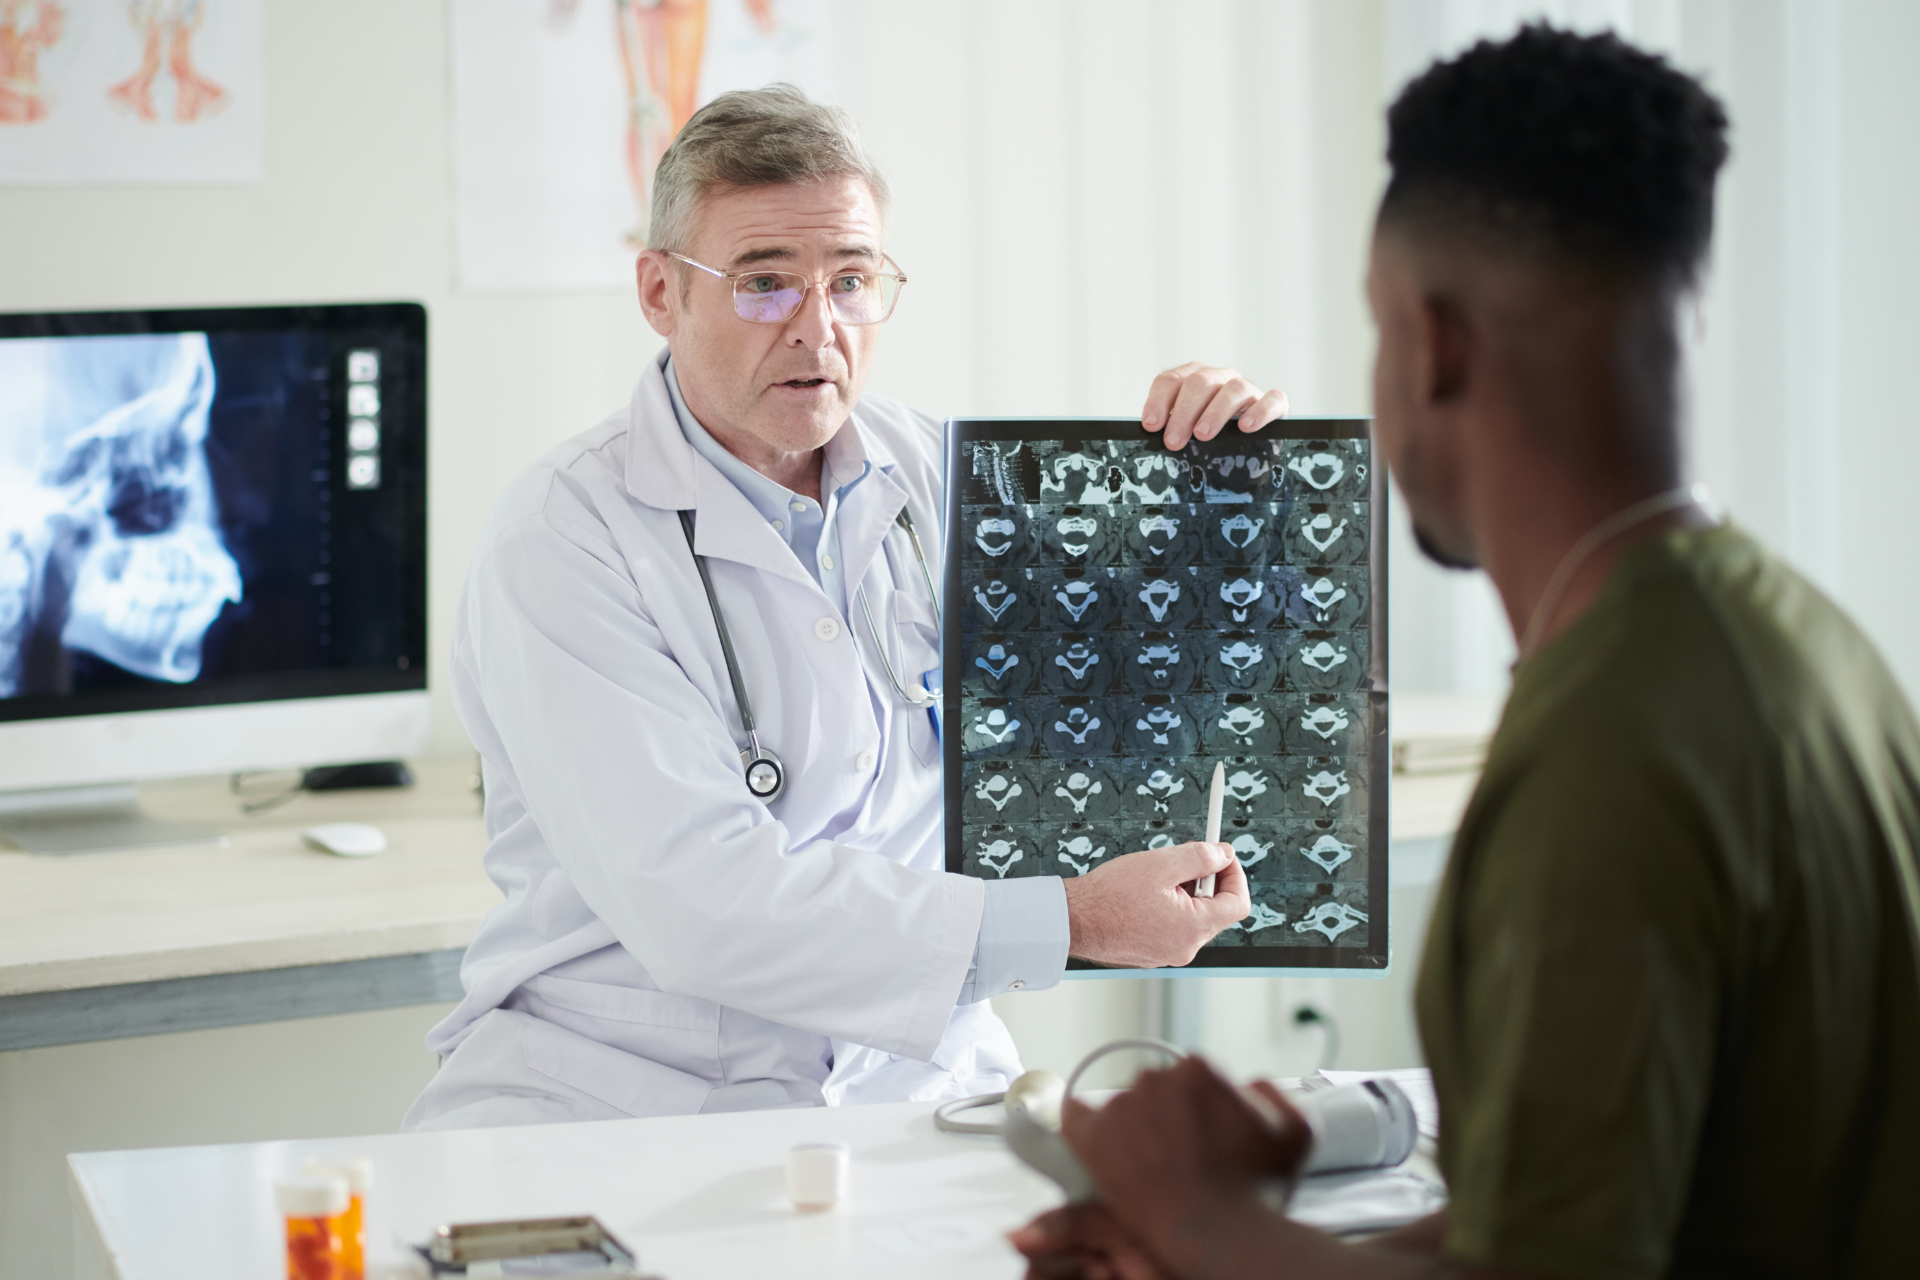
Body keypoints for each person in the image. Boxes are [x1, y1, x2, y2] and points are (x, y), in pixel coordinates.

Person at [1012, 24, 1920, 1280]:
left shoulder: (1616, 750)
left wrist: (1198, 1215)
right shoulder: (1807, 647)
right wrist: (1220, 1230)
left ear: (1432, 344)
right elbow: (1590, 1211)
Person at [404, 85, 1282, 1131]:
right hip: (620, 1091)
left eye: (852, 281)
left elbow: (1146, 706)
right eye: (765, 282)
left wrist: (1228, 492)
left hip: (912, 1084)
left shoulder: (945, 475)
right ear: (659, 290)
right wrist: (1072, 921)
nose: (817, 329)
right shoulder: (562, 536)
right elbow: (704, 906)